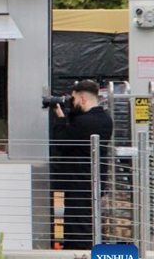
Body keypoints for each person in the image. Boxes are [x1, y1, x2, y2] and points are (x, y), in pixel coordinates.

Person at [51, 79, 113, 250]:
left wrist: (61, 119)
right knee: (87, 222)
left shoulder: (84, 122)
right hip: (94, 179)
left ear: (83, 99)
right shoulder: (105, 119)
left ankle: (79, 253)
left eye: (75, 99)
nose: (73, 103)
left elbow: (62, 143)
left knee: (76, 226)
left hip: (79, 181)